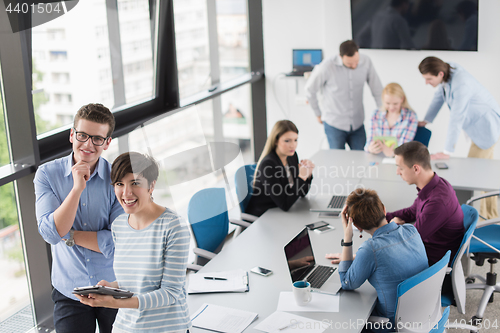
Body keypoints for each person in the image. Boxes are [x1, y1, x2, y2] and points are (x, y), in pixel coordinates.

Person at [76, 152, 191, 333]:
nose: (126, 192)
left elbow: (170, 293)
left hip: (166, 328)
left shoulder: (173, 226)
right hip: (126, 327)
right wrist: (110, 288)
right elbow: (135, 282)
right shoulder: (119, 226)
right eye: (120, 184)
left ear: (151, 186)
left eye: (135, 183)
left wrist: (115, 302)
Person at [34, 103, 123, 333]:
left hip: (113, 286)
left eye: (97, 139)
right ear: (72, 135)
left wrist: (70, 235)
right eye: (82, 135)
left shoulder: (118, 179)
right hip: (69, 290)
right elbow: (51, 234)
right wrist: (76, 190)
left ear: (107, 142)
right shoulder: (47, 175)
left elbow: (121, 242)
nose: (88, 145)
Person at [332, 188, 428, 329]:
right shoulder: (411, 229)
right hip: (423, 312)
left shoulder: (370, 249)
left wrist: (347, 238)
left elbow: (347, 283)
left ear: (357, 226)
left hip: (392, 323)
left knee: (345, 320)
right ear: (384, 210)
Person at [418, 56, 500, 219]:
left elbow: (456, 117)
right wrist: (426, 120)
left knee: (476, 176)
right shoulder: (448, 71)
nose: (426, 82)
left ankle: (484, 220)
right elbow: (439, 97)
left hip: (486, 128)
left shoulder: (461, 84)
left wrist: (448, 151)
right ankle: (491, 217)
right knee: (482, 175)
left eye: (428, 79)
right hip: (477, 127)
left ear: (440, 74)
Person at [386, 141, 464, 266]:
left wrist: (392, 227)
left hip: (433, 261)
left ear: (416, 168)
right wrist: (380, 217)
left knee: (379, 261)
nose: (397, 172)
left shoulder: (437, 201)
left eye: (400, 168)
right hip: (427, 247)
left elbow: (410, 240)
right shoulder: (434, 184)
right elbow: (411, 212)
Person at [305, 40, 383, 150]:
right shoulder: (327, 66)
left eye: (356, 62)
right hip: (334, 124)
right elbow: (309, 90)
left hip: (357, 123)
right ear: (340, 56)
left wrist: (383, 113)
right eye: (350, 64)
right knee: (338, 161)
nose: (354, 65)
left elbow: (377, 90)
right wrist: (317, 113)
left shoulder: (366, 61)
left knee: (362, 158)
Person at [246, 120, 314, 217]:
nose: (293, 145)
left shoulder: (292, 156)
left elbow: (302, 193)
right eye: (287, 140)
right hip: (264, 215)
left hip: (279, 212)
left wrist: (308, 175)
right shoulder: (268, 165)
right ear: (276, 141)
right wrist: (301, 177)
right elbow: (285, 204)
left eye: (295, 140)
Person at [365, 83, 418, 157]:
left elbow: (404, 147)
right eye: (388, 103)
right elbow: (369, 143)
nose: (391, 107)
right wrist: (370, 148)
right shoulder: (375, 115)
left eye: (395, 103)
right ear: (383, 100)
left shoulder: (410, 116)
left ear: (402, 99)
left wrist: (392, 153)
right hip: (376, 157)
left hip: (398, 159)